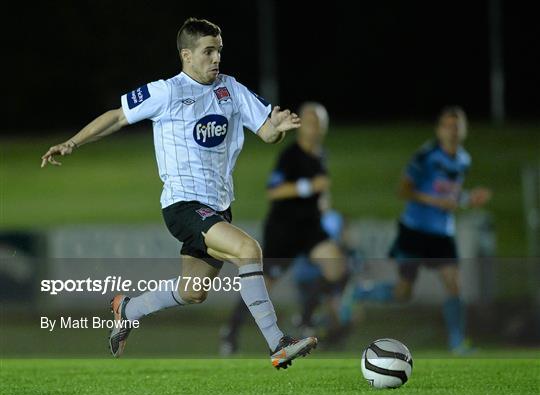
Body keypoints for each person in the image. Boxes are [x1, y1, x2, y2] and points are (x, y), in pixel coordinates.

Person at [40, 17, 317, 369]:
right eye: (208, 51)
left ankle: (128, 308)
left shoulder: (230, 88)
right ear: (187, 55)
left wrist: (277, 129)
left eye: (218, 50)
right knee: (249, 250)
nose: (216, 58)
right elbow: (117, 117)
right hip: (183, 205)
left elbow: (265, 132)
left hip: (218, 208)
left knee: (193, 291)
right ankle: (278, 342)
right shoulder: (166, 91)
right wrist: (72, 142)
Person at [340, 106, 492, 354]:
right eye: (447, 126)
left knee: (454, 284)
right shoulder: (426, 156)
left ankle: (457, 343)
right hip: (415, 230)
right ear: (439, 130)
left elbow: (448, 194)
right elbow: (403, 190)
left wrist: (467, 199)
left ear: (464, 130)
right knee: (403, 292)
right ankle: (360, 290)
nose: (452, 131)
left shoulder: (464, 159)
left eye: (457, 126)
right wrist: (437, 202)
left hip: (442, 233)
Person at [220, 102, 347, 355]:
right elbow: (274, 190)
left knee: (337, 267)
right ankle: (231, 330)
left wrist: (322, 200)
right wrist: (308, 187)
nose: (314, 128)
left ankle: (306, 317)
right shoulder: (290, 156)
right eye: (310, 122)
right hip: (284, 230)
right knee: (263, 286)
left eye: (319, 123)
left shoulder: (320, 154)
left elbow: (321, 190)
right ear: (301, 126)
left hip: (310, 228)